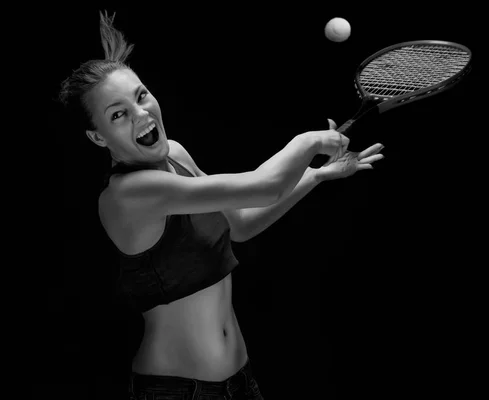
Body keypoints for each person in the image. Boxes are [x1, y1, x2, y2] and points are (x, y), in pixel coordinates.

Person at [58, 11, 384, 400]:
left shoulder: (175, 154)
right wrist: (308, 142)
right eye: (118, 114)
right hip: (176, 392)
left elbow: (242, 224)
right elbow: (263, 185)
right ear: (98, 138)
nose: (141, 114)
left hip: (240, 383)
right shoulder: (128, 196)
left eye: (141, 95)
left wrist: (314, 175)